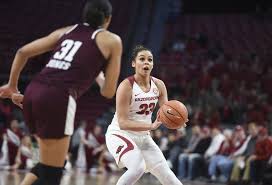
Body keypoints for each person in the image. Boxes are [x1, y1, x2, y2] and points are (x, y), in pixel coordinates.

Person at [0, 0, 122, 184]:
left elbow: (22, 51)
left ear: (85, 15)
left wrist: (12, 85)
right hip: (58, 97)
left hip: (34, 91)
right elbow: (108, 92)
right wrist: (98, 74)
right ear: (108, 19)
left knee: (49, 163)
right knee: (53, 174)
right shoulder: (112, 40)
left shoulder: (67, 30)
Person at [106, 45, 184, 185]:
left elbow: (165, 112)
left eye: (150, 59)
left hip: (143, 137)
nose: (146, 62)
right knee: (137, 167)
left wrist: (177, 120)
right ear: (133, 63)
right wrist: (151, 125)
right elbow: (123, 123)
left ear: (153, 64)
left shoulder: (159, 85)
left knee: (169, 177)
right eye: (142, 59)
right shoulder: (126, 86)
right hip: (120, 134)